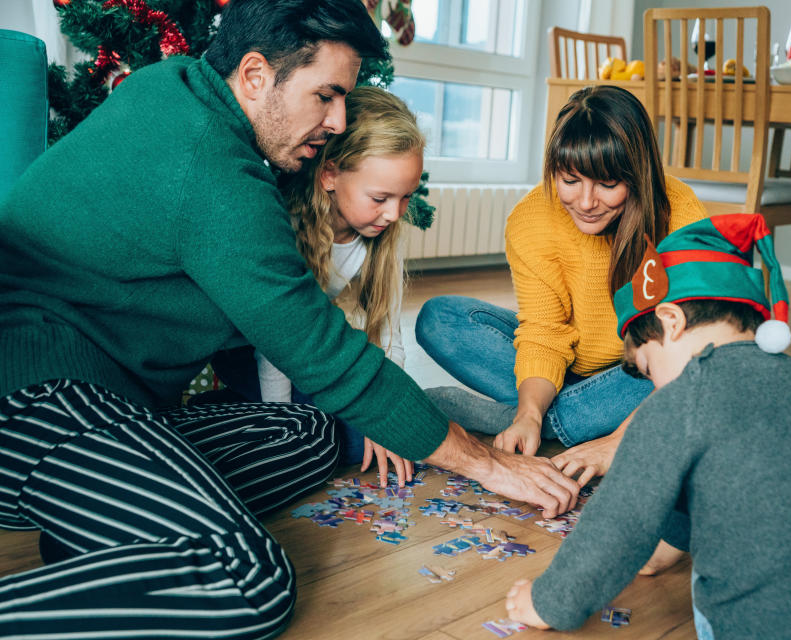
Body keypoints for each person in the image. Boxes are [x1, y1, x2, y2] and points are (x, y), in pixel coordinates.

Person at [0, 1, 577, 637]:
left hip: (123, 401)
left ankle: (104, 532)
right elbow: (319, 350)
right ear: (254, 75)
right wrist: (490, 467)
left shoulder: (180, 87)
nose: (337, 121)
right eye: (326, 96)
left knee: (311, 431)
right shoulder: (213, 171)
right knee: (246, 581)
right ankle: (118, 529)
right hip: (35, 394)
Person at [502, 213, 791, 638]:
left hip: (756, 629)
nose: (654, 384)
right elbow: (720, 469)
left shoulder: (676, 404)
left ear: (671, 321)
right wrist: (661, 551)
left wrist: (547, 604)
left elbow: (617, 523)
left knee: (718, 561)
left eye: (647, 367)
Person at [416, 85, 708, 456]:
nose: (586, 202)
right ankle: (562, 418)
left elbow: (689, 344)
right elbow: (544, 331)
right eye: (570, 180)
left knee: (693, 365)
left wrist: (612, 445)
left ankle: (499, 417)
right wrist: (529, 414)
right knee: (438, 319)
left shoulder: (679, 211)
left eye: (607, 184)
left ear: (637, 175)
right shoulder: (531, 218)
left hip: (633, 373)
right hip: (568, 366)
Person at [212, 84, 422, 486]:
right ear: (329, 175)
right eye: (380, 197)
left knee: (393, 428)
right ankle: (225, 409)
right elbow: (275, 343)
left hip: (306, 353)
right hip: (247, 353)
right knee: (359, 440)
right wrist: (282, 423)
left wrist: (385, 405)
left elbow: (373, 338)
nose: (395, 213)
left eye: (406, 197)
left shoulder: (371, 235)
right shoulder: (284, 226)